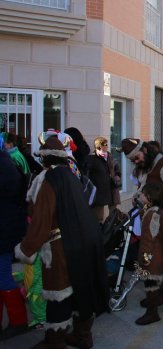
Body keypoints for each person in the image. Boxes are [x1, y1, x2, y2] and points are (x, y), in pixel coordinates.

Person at [15, 135, 109, 348]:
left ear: (46, 159)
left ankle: (54, 341)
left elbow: (41, 220)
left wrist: (26, 249)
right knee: (81, 290)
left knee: (58, 295)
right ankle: (83, 336)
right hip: (85, 241)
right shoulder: (70, 174)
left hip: (61, 246)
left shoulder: (48, 179)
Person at [121, 138, 163, 312]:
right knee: (157, 256)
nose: (136, 162)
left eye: (137, 158)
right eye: (133, 161)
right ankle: (158, 294)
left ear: (144, 150)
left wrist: (154, 199)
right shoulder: (145, 165)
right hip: (155, 216)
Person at [0, 148, 28, 341]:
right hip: (7, 226)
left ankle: (18, 321)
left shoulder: (4, 164)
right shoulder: (6, 161)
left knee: (3, 276)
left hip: (4, 229)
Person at [134, 182, 163, 325]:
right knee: (156, 282)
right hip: (160, 255)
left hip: (151, 257)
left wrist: (144, 259)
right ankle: (158, 301)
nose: (141, 196)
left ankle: (152, 313)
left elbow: (147, 240)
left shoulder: (151, 215)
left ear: (149, 197)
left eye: (143, 194)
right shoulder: (162, 211)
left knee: (150, 285)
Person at [86, 136, 121, 223]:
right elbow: (86, 175)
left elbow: (116, 166)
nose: (106, 146)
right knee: (98, 219)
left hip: (111, 189)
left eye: (107, 144)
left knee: (113, 217)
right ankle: (99, 234)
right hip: (99, 192)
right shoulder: (91, 158)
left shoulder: (109, 155)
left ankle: (112, 233)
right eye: (104, 144)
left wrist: (117, 175)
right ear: (99, 146)